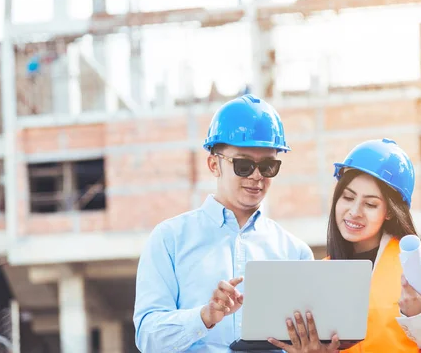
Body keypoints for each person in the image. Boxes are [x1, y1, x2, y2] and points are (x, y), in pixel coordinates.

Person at [133, 94, 314, 352]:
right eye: (243, 165)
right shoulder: (170, 239)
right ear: (213, 165)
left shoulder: (295, 253)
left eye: (268, 166)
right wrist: (204, 317)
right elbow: (148, 337)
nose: (256, 176)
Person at [268, 138, 421, 353]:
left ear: (390, 211)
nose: (354, 211)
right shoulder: (321, 272)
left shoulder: (419, 263)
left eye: (370, 204)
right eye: (347, 197)